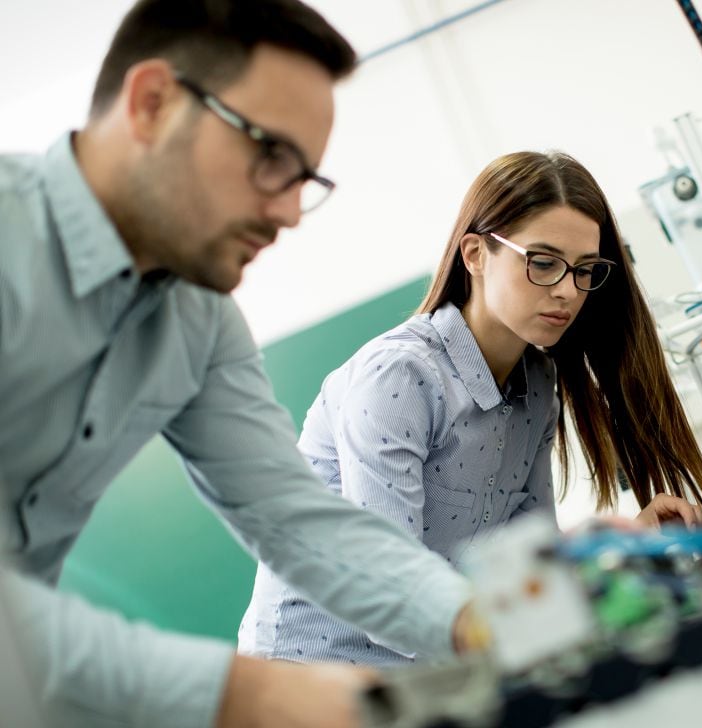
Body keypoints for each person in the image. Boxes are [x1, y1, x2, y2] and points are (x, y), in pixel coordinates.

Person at [0, 1, 482, 726]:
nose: (289, 213)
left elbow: (300, 523)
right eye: (271, 157)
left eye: (305, 180)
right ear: (152, 103)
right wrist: (247, 692)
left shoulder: (198, 319)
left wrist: (484, 621)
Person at [239, 151, 702, 667]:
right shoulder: (401, 378)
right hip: (309, 677)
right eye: (542, 262)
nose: (567, 290)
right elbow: (392, 602)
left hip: (429, 669)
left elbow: (530, 564)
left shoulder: (537, 387)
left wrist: (622, 550)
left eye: (585, 270)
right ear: (475, 254)